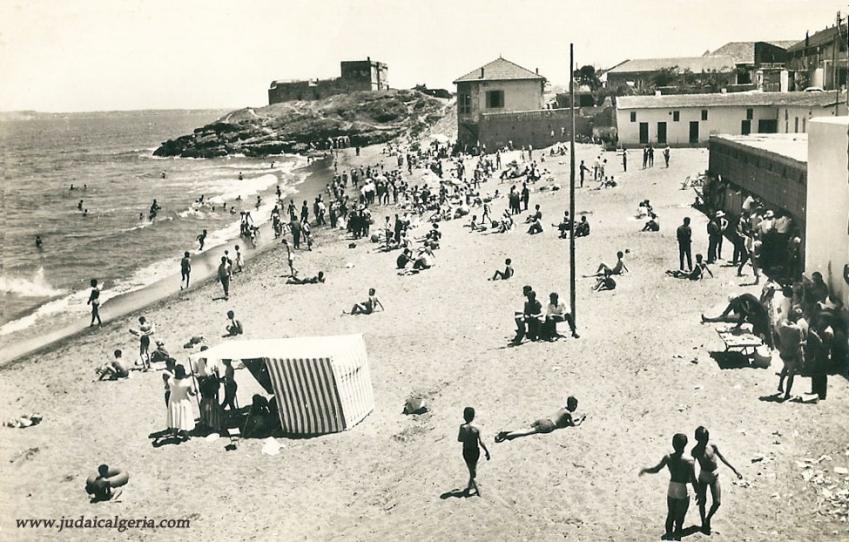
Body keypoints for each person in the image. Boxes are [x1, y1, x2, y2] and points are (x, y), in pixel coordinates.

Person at [639, 433, 697, 541]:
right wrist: (699, 493)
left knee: (670, 514)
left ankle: (669, 538)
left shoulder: (668, 457)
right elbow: (693, 479)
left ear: (673, 444)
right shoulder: (689, 461)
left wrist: (645, 470)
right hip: (682, 488)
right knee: (679, 519)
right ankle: (677, 538)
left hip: (672, 487)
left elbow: (656, 469)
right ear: (685, 445)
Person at [691, 426, 742, 535]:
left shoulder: (712, 446)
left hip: (714, 476)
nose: (705, 441)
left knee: (717, 502)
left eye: (706, 438)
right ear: (698, 439)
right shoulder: (695, 451)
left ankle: (708, 518)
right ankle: (703, 522)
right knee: (702, 501)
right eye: (703, 439)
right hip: (703, 477)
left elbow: (722, 458)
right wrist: (696, 489)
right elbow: (692, 470)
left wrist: (734, 469)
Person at [495, 396, 584, 442]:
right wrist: (581, 418)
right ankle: (506, 435)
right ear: (573, 406)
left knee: (526, 429)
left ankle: (511, 433)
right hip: (548, 425)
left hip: (543, 420)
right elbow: (574, 424)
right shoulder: (568, 414)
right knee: (526, 432)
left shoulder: (563, 409)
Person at [701, 293, 774, 348]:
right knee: (758, 332)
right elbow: (726, 314)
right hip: (755, 316)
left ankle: (770, 347)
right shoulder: (740, 301)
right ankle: (765, 347)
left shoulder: (745, 299)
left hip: (762, 316)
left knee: (763, 332)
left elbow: (744, 314)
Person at [457, 407, 490, 497]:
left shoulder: (462, 427)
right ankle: (470, 487)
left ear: (464, 416)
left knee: (472, 472)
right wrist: (487, 451)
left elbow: (460, 440)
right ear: (473, 416)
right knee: (473, 470)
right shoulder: (477, 428)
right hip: (475, 451)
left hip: (466, 451)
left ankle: (475, 491)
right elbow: (481, 442)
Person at [777, 309, 807, 400]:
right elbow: (798, 344)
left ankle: (780, 385)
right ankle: (787, 394)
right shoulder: (797, 329)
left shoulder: (782, 327)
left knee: (784, 367)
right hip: (791, 355)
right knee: (791, 374)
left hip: (783, 353)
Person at [165, 365, 196, 441]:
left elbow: (166, 387)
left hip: (173, 400)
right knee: (184, 417)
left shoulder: (170, 380)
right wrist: (195, 392)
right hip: (183, 401)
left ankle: (175, 434)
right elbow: (191, 393)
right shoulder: (186, 383)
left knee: (175, 416)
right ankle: (186, 435)